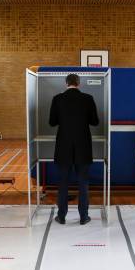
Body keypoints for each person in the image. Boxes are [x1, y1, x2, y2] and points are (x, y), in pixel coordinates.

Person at [48, 73, 99, 225]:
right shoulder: (88, 99)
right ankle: (84, 216)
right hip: (83, 146)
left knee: (63, 182)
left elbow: (52, 122)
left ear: (66, 83)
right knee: (83, 183)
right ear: (78, 83)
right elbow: (95, 122)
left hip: (63, 145)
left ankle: (61, 216)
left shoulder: (57, 99)